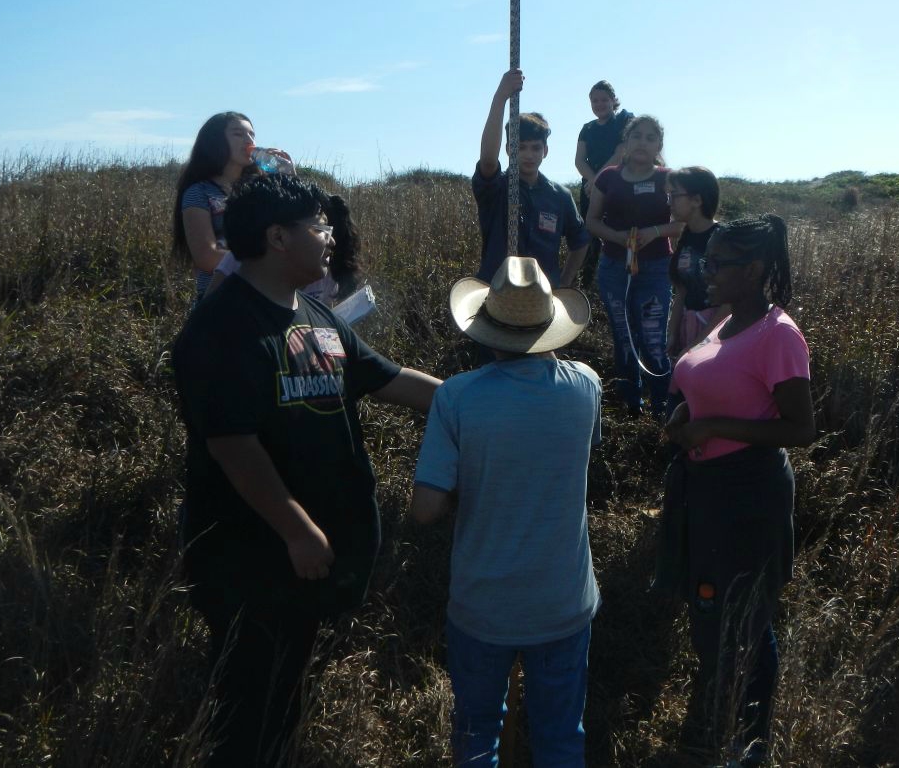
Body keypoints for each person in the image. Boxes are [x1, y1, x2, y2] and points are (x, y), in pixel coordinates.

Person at [172, 173, 440, 767]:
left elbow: (386, 379)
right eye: (317, 225)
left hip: (310, 549)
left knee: (288, 685)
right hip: (253, 552)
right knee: (250, 699)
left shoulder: (315, 314)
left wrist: (474, 401)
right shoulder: (221, 329)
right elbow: (232, 445)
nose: (329, 236)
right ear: (276, 238)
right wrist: (295, 528)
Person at [411, 256, 601, 767]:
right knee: (561, 737)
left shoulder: (456, 398)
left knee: (476, 737)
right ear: (551, 328)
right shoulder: (587, 386)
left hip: (483, 602)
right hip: (563, 599)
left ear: (485, 329)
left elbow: (425, 508)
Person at [662, 215, 816, 766]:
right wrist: (688, 409)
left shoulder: (778, 334)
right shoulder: (723, 321)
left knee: (746, 619)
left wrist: (714, 428)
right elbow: (708, 382)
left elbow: (801, 428)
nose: (708, 270)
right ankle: (713, 731)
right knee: (714, 611)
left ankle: (747, 744)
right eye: (707, 261)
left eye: (719, 263)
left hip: (748, 494)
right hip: (707, 488)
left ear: (752, 271)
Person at [586, 115, 682, 418]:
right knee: (623, 337)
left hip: (655, 269)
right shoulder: (608, 177)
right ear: (625, 143)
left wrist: (654, 232)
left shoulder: (668, 178)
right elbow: (591, 221)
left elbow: (684, 222)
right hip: (615, 267)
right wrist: (616, 237)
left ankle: (661, 407)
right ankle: (630, 405)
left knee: (653, 337)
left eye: (650, 138)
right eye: (636, 136)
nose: (642, 142)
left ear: (659, 146)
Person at [473, 69, 590, 289]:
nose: (528, 154)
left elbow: (580, 242)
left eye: (535, 148)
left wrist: (563, 283)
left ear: (545, 151)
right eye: (520, 147)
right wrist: (500, 97)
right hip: (495, 294)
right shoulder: (496, 188)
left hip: (541, 301)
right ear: (508, 149)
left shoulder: (560, 196)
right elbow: (488, 161)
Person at [171, 111, 294, 301]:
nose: (249, 140)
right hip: (222, 297)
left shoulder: (260, 191)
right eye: (238, 134)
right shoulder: (200, 192)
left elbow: (295, 228)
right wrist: (266, 258)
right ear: (215, 141)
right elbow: (206, 257)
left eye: (252, 134)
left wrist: (290, 180)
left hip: (267, 295)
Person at [204, 191, 363, 306]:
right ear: (278, 236)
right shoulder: (243, 259)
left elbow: (324, 328)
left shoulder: (327, 271)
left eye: (331, 232)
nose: (332, 242)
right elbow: (207, 309)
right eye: (320, 230)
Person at [574, 81, 634, 287]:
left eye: (604, 100)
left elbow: (621, 152)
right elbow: (579, 160)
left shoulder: (625, 120)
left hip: (619, 185)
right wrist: (592, 181)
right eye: (594, 100)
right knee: (590, 235)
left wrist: (599, 180)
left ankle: (622, 279)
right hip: (590, 189)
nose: (599, 104)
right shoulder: (587, 129)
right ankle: (586, 285)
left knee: (618, 232)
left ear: (613, 101)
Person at [666, 166, 728, 360]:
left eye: (675, 196)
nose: (669, 203)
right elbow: (682, 291)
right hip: (689, 329)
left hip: (718, 336)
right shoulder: (686, 237)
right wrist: (672, 334)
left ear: (697, 200)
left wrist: (698, 344)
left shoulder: (724, 239)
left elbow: (729, 305)